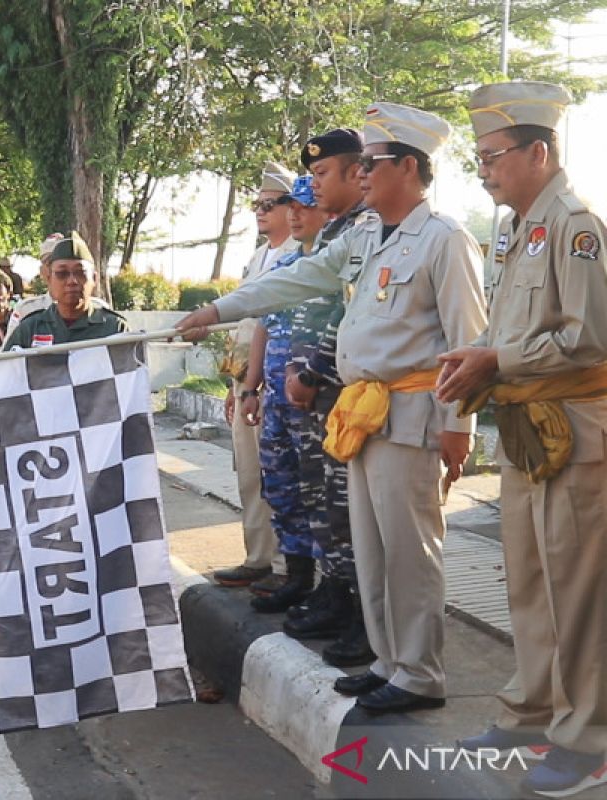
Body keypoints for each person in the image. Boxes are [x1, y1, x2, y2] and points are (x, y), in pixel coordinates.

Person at [177, 103, 488, 714]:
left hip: (413, 417)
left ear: (407, 166)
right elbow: (296, 280)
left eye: (371, 163)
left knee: (409, 552)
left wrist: (460, 428)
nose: (362, 173)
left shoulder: (445, 239)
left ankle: (420, 673)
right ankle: (388, 660)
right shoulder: (368, 235)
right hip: (363, 416)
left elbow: (468, 343)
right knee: (371, 551)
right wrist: (219, 311)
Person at [441, 82, 607, 798]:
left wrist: (498, 360)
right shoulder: (513, 227)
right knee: (531, 583)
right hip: (522, 428)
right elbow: (508, 327)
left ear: (539, 152)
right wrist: (478, 354)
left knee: (579, 593)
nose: (484, 170)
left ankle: (588, 738)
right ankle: (534, 708)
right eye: (478, 158)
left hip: (575, 430)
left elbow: (590, 337)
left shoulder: (577, 225)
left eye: (493, 156)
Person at [281, 128, 374, 666]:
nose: (314, 187)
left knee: (348, 513)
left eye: (320, 175)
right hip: (320, 395)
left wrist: (311, 373)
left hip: (342, 395)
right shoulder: (338, 231)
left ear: (351, 172)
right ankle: (336, 597)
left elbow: (345, 316)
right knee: (324, 506)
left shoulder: (362, 231)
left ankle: (363, 616)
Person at [236, 176, 331, 615]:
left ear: (325, 212)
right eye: (289, 206)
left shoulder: (334, 266)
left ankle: (329, 587)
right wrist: (250, 387)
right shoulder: (282, 266)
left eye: (303, 206)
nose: (294, 214)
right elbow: (261, 325)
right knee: (280, 486)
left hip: (312, 402)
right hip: (275, 398)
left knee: (320, 494)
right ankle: (295, 577)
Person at [211, 163, 297, 595]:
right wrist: (236, 384)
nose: (261, 212)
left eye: (271, 204)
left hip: (271, 386)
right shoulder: (259, 256)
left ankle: (285, 564)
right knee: (249, 475)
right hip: (247, 382)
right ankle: (258, 556)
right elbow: (245, 327)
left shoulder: (295, 255)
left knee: (276, 476)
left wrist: (254, 385)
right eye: (256, 205)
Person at [2, 232, 127, 349]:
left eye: (80, 273)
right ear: (49, 278)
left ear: (94, 278)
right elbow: (4, 369)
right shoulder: (29, 329)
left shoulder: (115, 329)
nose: (72, 281)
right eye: (62, 274)